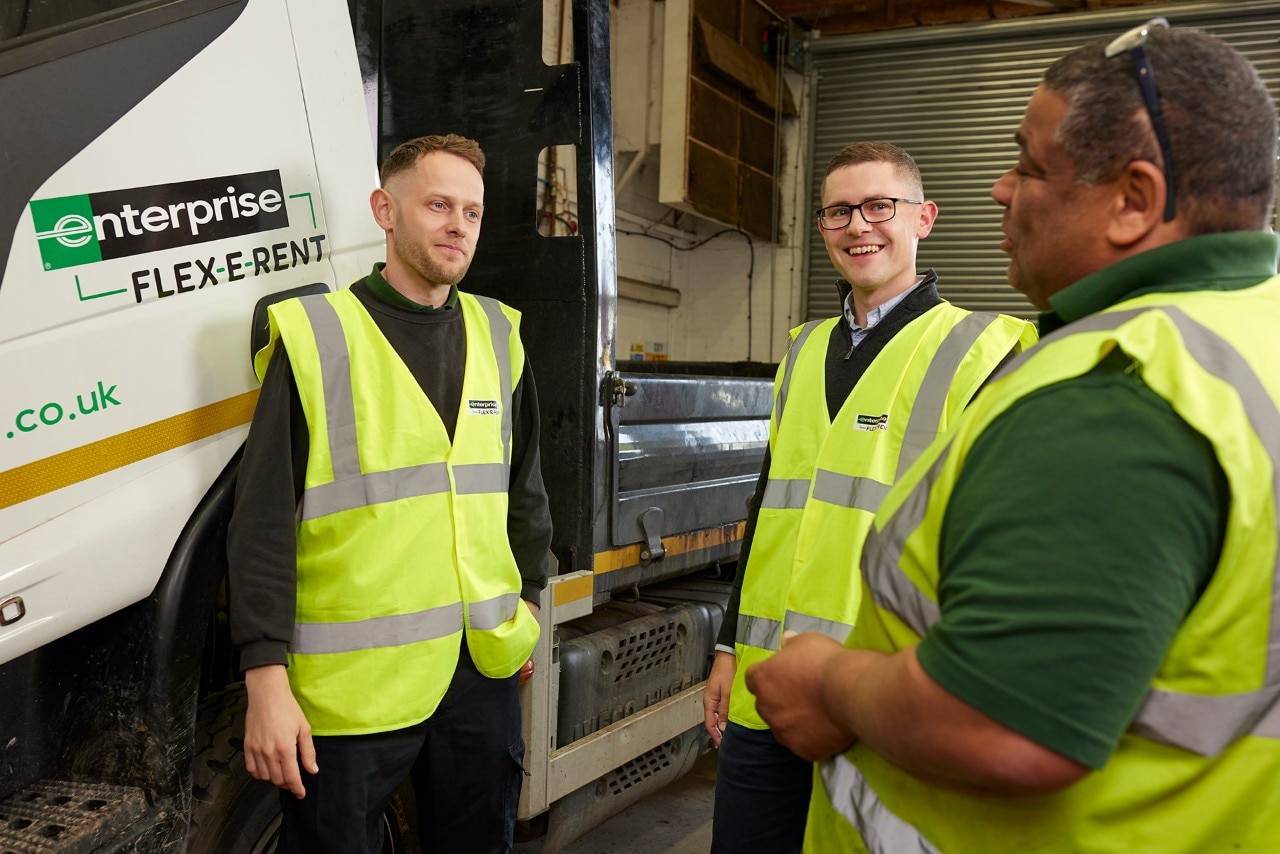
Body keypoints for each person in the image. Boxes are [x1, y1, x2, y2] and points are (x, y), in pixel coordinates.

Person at [747, 19, 1280, 853]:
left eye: (1030, 165)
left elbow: (1006, 726)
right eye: (838, 211)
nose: (1002, 188)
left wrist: (831, 681)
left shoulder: (1117, 391)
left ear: (1135, 201)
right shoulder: (1248, 336)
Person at [703, 142, 1037, 852]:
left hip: (886, 700)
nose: (860, 226)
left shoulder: (987, 349)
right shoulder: (801, 351)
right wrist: (730, 646)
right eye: (839, 212)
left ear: (924, 219)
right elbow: (769, 509)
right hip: (770, 691)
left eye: (880, 207)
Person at [227, 134, 552, 853]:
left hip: (480, 674)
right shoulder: (319, 337)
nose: (457, 225)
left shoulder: (499, 334)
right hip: (354, 692)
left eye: (471, 210)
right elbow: (261, 526)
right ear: (386, 210)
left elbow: (524, 490)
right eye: (438, 204)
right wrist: (265, 679)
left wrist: (526, 603)